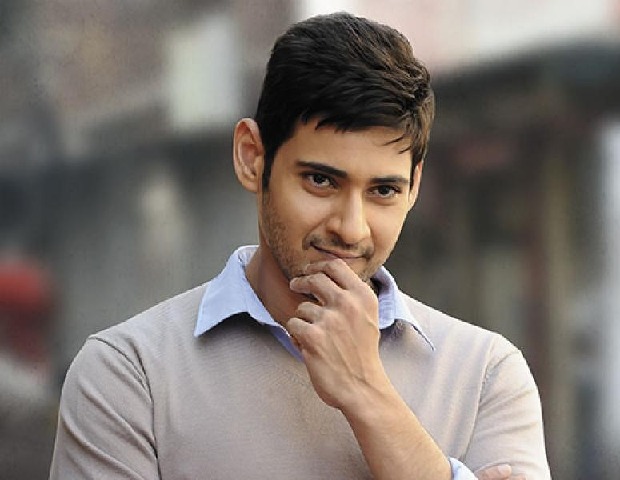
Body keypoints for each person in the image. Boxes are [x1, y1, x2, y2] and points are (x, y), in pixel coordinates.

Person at [49, 12, 550, 480]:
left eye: (383, 190)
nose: (351, 228)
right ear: (252, 158)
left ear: (414, 185)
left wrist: (366, 393)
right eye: (320, 181)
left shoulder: (486, 377)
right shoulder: (128, 376)